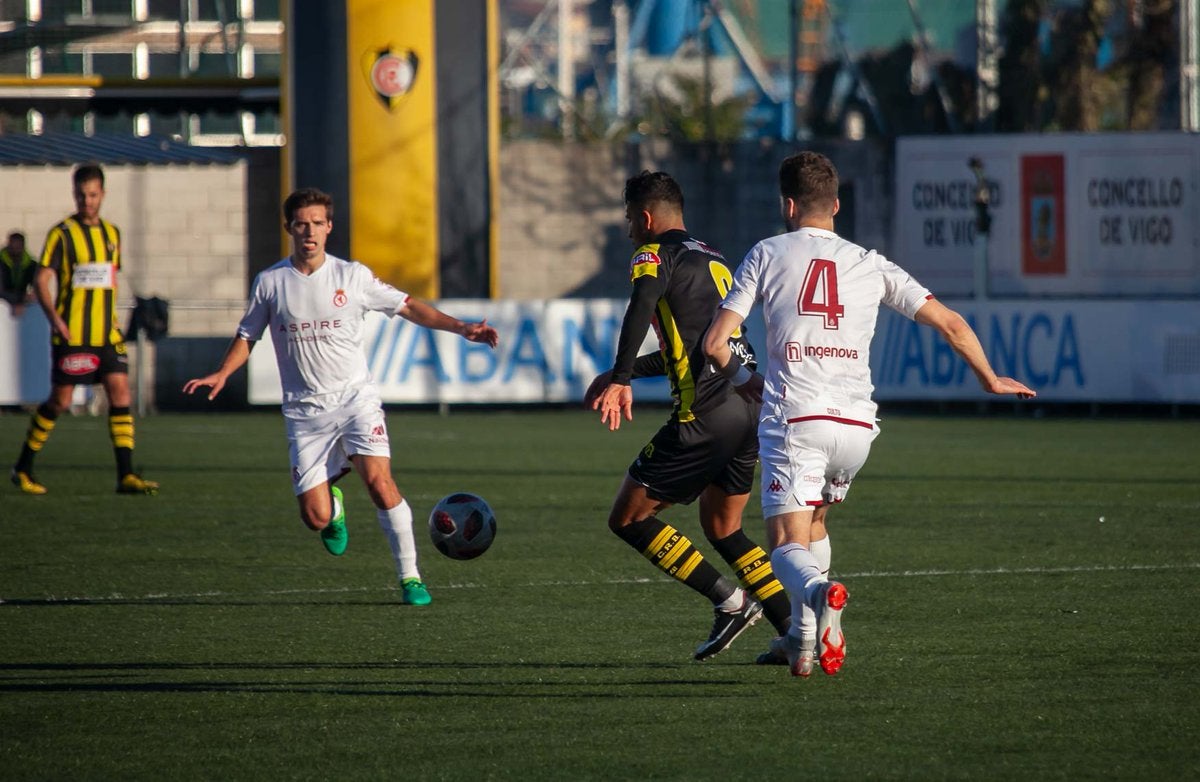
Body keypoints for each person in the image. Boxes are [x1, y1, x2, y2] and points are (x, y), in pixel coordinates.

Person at [703, 151, 1036, 677]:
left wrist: (749, 383)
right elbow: (949, 322)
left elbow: (716, 342)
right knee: (815, 521)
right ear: (836, 205)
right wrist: (989, 378)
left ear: (787, 205)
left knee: (787, 543)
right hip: (858, 427)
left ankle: (817, 596)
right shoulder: (870, 262)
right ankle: (801, 639)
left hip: (798, 418)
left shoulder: (767, 252)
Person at [183, 187, 498, 607]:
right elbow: (248, 335)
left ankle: (411, 578)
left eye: (317, 223)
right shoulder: (271, 283)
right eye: (301, 224)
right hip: (304, 413)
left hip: (355, 401)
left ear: (329, 227)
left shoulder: (352, 277)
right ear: (289, 228)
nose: (309, 231)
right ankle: (333, 503)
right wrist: (223, 372)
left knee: (381, 484)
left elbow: (408, 306)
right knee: (315, 518)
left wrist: (462, 328)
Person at [586, 170, 793, 662]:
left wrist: (619, 377)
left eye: (629, 219)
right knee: (724, 527)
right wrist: (628, 371)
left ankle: (732, 603)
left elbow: (642, 303)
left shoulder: (653, 255)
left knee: (628, 518)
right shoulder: (712, 256)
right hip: (747, 408)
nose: (630, 230)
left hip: (705, 414)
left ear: (645, 217)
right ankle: (795, 629)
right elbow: (697, 350)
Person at [10, 165, 159, 496]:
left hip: (107, 335)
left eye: (92, 195)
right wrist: (56, 320)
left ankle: (126, 475)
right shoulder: (61, 234)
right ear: (74, 194)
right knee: (60, 400)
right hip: (73, 334)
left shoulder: (112, 233)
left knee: (120, 392)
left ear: (102, 194)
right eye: (81, 195)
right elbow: (42, 280)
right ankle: (23, 467)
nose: (87, 201)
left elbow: (111, 278)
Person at [0, 231, 37, 315]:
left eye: (18, 246)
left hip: (23, 308)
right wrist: (21, 299)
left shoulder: (31, 265)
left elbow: (37, 288)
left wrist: (32, 297)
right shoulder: (1, 263)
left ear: (23, 247)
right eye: (13, 245)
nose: (15, 248)